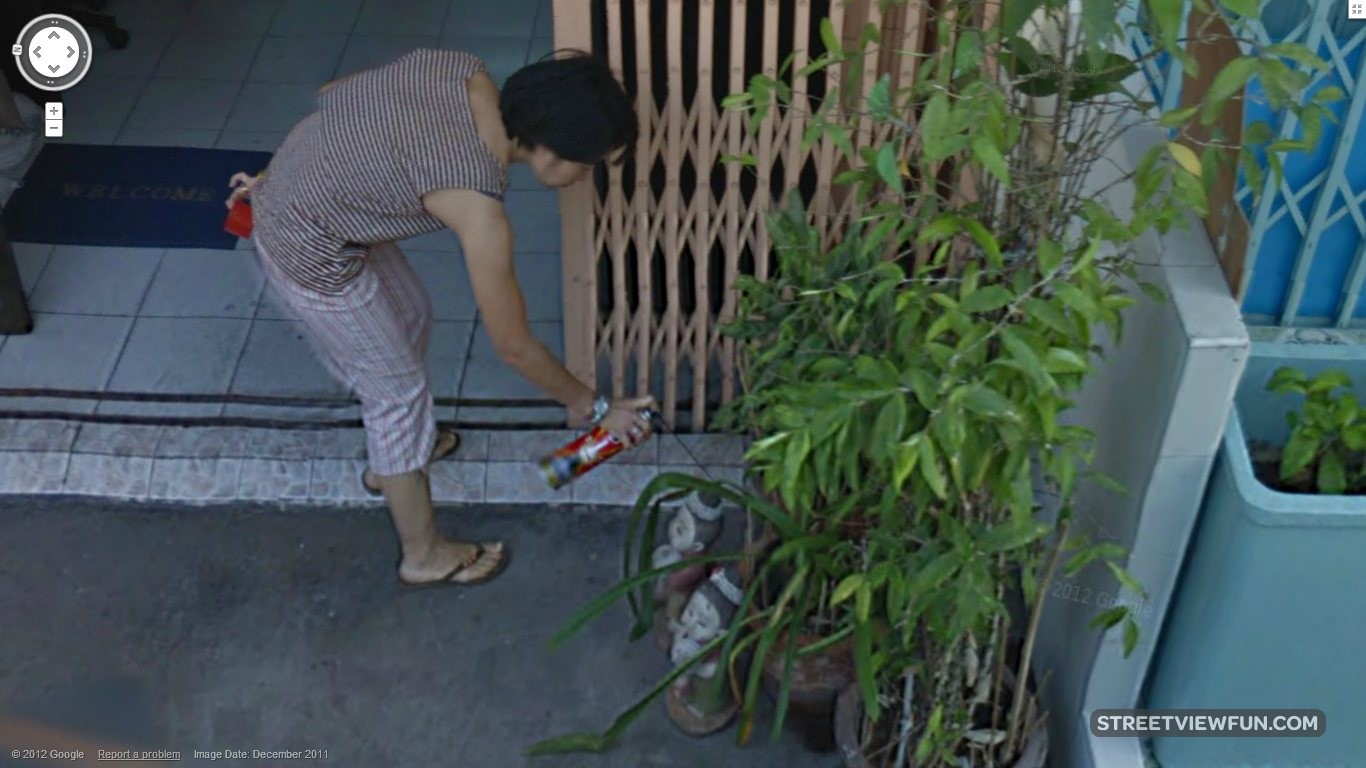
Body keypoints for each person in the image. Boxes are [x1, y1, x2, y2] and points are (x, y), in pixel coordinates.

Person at [226, 49, 655, 588]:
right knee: (398, 396)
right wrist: (588, 406)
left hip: (322, 198)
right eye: (586, 163)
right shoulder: (476, 202)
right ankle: (423, 552)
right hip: (307, 244)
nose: (585, 176)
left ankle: (401, 456)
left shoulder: (460, 68)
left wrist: (330, 170)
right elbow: (514, 345)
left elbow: (334, 90)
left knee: (411, 316)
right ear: (548, 149)